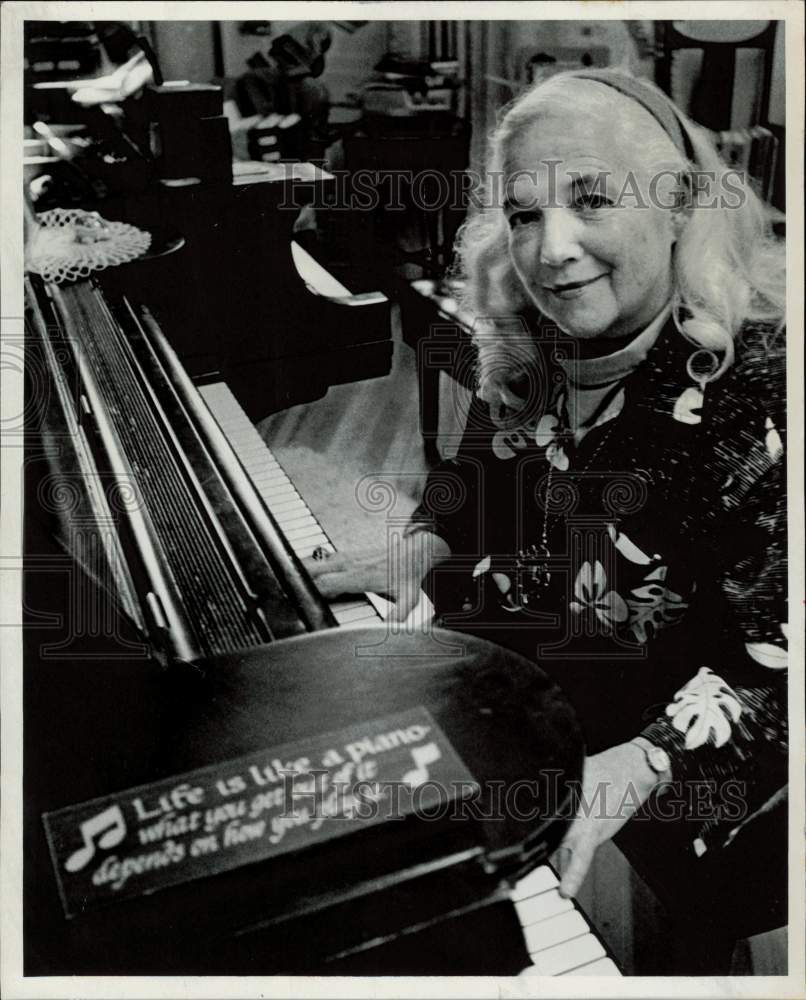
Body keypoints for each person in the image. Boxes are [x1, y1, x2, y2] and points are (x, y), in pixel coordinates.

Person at [306, 69, 787, 970]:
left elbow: (780, 668)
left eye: (592, 199)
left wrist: (636, 768)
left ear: (680, 202)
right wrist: (427, 543)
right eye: (524, 214)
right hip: (529, 693)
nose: (552, 250)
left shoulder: (760, 384)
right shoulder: (536, 330)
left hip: (682, 756)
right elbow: (481, 477)